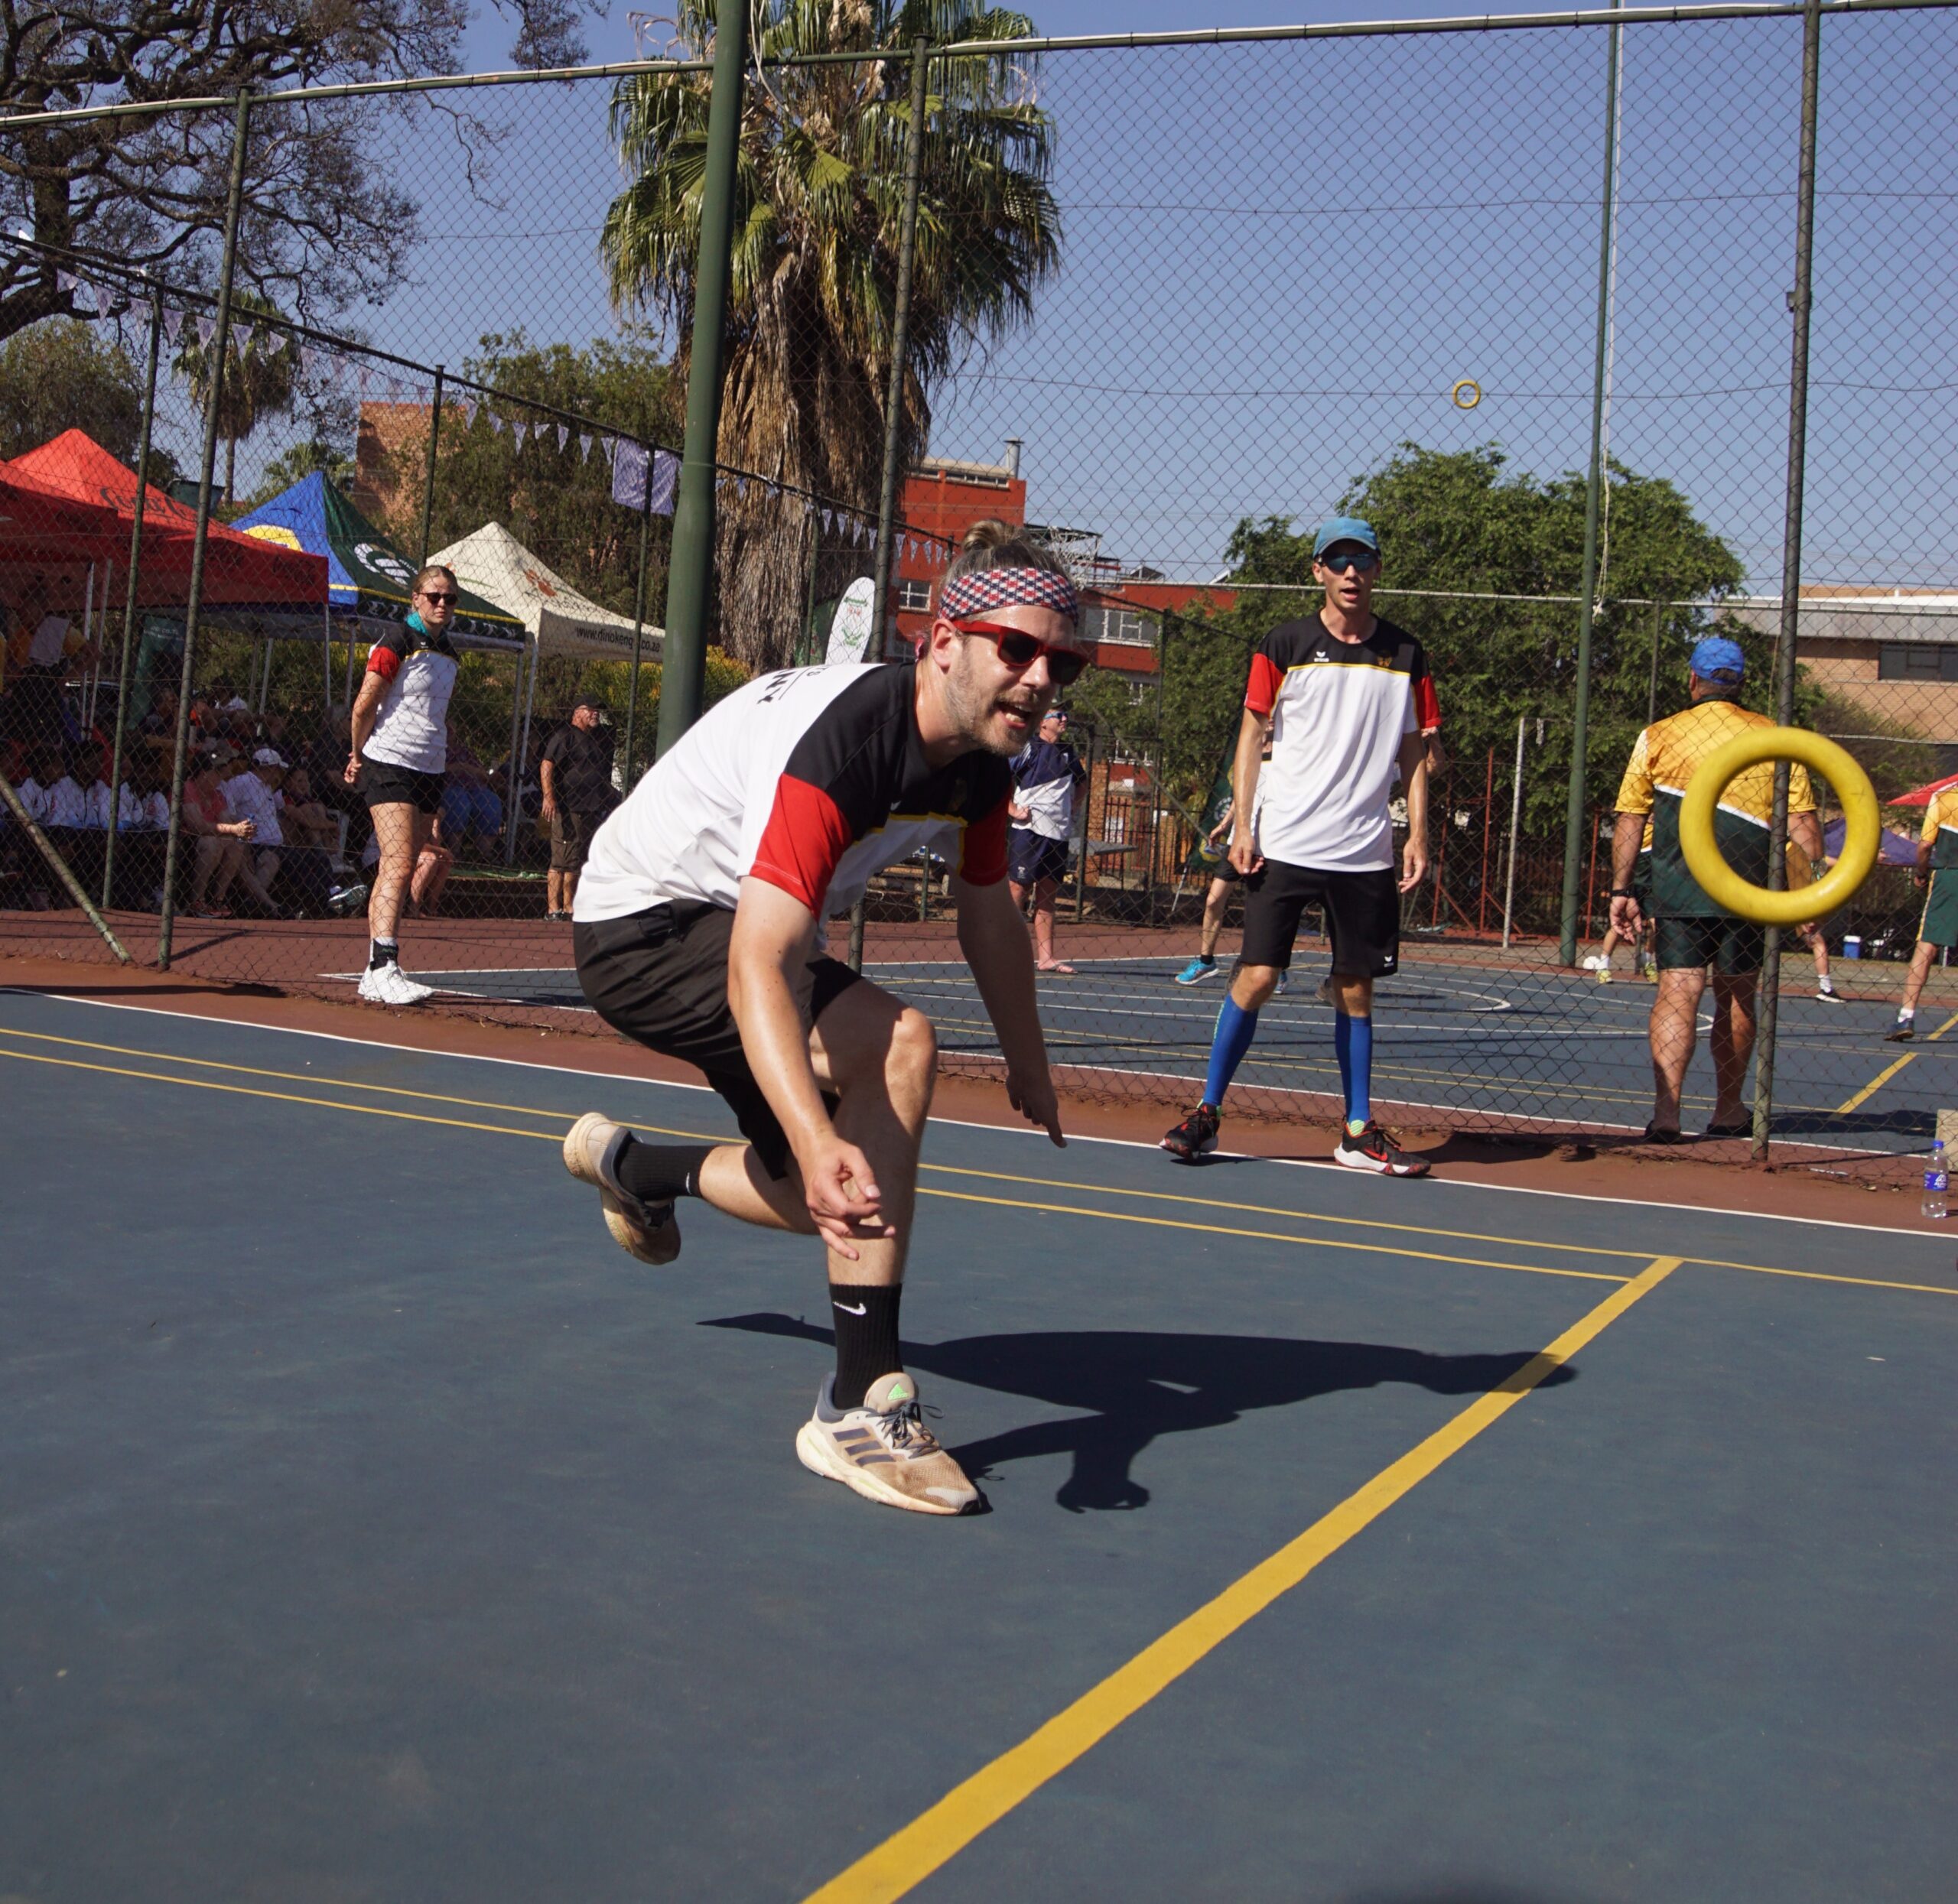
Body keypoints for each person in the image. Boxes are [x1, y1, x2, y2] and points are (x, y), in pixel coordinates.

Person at [562, 518, 1080, 1517]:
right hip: (644, 926)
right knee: (899, 1046)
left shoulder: (979, 765)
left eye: (1063, 661)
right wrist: (814, 1131)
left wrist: (1031, 1063)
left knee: (816, 1204)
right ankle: (860, 1399)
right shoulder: (849, 743)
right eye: (1018, 649)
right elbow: (760, 959)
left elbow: (987, 915)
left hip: (725, 933)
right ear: (944, 642)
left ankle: (638, 1170)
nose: (1041, 679)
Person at [1161, 517, 1436, 1176]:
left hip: (1363, 851)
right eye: (1337, 561)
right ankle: (1207, 1113)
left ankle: (1358, 1131)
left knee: (1355, 989)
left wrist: (1418, 833)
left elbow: (1416, 750)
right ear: (1317, 571)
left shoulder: (1406, 654)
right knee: (1256, 977)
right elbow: (1251, 736)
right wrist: (1245, 825)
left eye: (1361, 560)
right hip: (1284, 842)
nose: (1350, 572)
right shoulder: (1283, 645)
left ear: (1377, 569)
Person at [1608, 636, 1823, 1140]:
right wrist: (1813, 891)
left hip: (1680, 884)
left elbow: (1631, 819)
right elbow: (1805, 830)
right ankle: (1728, 1110)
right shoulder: (1775, 738)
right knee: (1739, 994)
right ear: (1741, 684)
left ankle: (1667, 1114)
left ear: (1693, 681)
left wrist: (1621, 889)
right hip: (1747, 889)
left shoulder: (1659, 735)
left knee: (1678, 991)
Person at [345, 566, 462, 1005]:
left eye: (450, 598)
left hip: (431, 768)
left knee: (402, 864)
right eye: (434, 596)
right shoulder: (395, 641)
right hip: (390, 762)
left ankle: (374, 969)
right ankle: (384, 967)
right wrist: (356, 754)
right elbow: (364, 705)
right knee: (396, 863)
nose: (442, 604)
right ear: (416, 598)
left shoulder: (449, 650)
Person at [1007, 705, 1088, 972]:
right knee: (1018, 888)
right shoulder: (1028, 748)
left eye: (1066, 715)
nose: (1065, 719)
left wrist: (1073, 805)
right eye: (1058, 715)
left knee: (1048, 894)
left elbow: (1082, 783)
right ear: (1042, 722)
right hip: (1029, 831)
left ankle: (1046, 957)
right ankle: (1004, 950)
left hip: (1058, 835)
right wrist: (1012, 809)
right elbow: (1002, 777)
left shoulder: (1068, 752)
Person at [1885, 779, 1958, 1039]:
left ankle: (1905, 1016)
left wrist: (1921, 872)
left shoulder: (1946, 795)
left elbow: (1925, 845)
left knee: (1927, 945)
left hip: (1950, 875)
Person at [540, 696, 616, 921]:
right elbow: (547, 764)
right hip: (568, 807)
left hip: (590, 808)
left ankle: (569, 907)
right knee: (562, 859)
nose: (596, 713)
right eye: (590, 709)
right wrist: (548, 797)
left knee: (576, 860)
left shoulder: (593, 741)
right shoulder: (565, 735)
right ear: (577, 713)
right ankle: (554, 909)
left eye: (597, 710)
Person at [437, 720, 503, 859]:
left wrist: (468, 768)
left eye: (452, 727)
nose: (450, 730)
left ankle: (484, 854)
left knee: (491, 802)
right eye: (446, 727)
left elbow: (483, 774)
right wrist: (457, 767)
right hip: (449, 787)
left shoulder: (465, 751)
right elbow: (437, 770)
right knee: (459, 801)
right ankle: (454, 851)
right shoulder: (436, 749)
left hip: (474, 788)